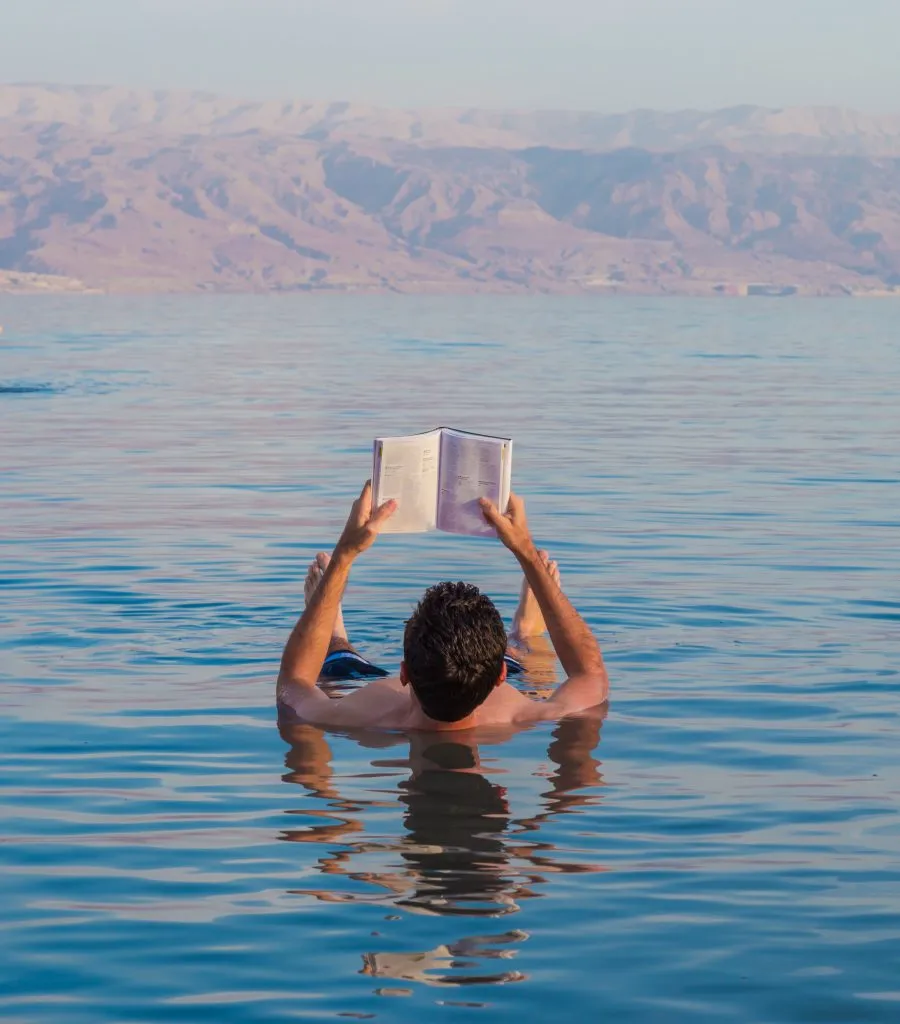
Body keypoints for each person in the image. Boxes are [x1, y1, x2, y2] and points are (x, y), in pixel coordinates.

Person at [276, 481, 608, 730]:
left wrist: (344, 557)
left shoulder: (359, 719)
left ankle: (335, 633)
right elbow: (589, 672)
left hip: (380, 708)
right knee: (528, 668)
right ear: (500, 679)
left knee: (336, 665)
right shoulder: (524, 716)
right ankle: (522, 635)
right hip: (498, 697)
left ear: (404, 674)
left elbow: (294, 683)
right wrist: (526, 551)